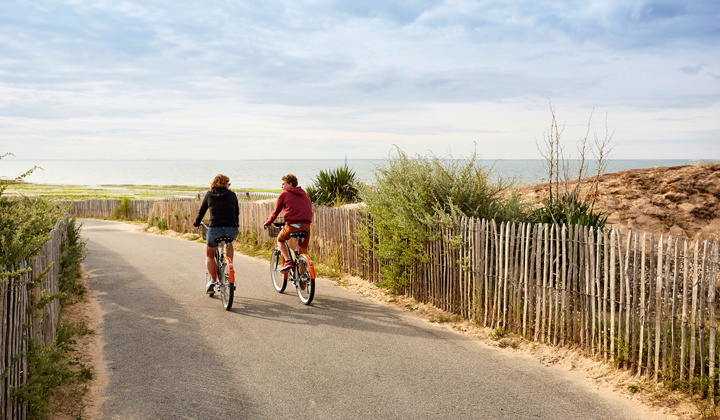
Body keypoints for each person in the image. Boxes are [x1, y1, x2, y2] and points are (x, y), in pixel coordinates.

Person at [193, 174, 239, 294]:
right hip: (232, 230)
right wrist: (236, 224)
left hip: (215, 230)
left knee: (209, 256)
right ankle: (229, 270)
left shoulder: (209, 194)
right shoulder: (232, 195)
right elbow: (236, 212)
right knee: (228, 243)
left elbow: (201, 211)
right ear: (225, 183)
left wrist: (196, 223)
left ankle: (211, 280)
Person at [264, 174, 313, 272]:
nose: (281, 187)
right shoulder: (305, 193)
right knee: (302, 251)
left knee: (280, 240)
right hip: (306, 226)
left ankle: (288, 261)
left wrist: (268, 222)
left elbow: (276, 211)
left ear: (290, 184)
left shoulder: (285, 194)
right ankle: (303, 279)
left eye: (283, 184)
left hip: (292, 226)